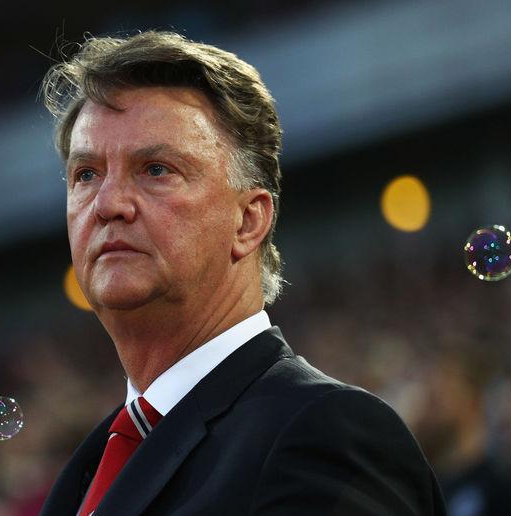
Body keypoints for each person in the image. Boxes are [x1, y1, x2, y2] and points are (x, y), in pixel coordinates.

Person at [38, 30, 446, 515]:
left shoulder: (324, 432)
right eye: (86, 174)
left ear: (249, 220)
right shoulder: (85, 471)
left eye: (156, 169)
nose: (108, 203)